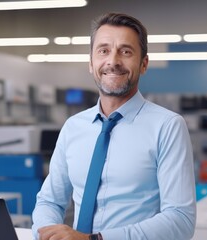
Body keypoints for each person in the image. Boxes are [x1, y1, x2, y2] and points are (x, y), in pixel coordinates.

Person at [32, 12, 196, 240]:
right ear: (91, 63)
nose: (113, 61)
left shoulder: (167, 126)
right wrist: (47, 232)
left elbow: (180, 220)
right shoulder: (73, 127)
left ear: (144, 64)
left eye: (126, 51)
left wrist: (95, 239)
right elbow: (50, 201)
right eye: (103, 51)